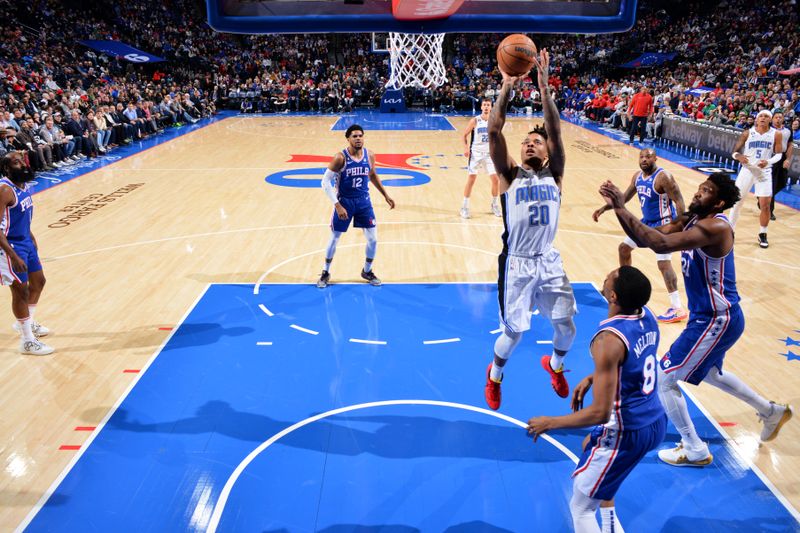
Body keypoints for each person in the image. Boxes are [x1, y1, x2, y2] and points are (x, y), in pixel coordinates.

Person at [598, 173, 792, 467]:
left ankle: (694, 448)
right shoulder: (691, 219)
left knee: (665, 378)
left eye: (707, 191)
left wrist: (621, 207)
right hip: (710, 317)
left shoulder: (716, 227)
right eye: (700, 188)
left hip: (717, 318)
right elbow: (650, 237)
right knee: (712, 373)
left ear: (720, 202)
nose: (698, 193)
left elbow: (662, 246)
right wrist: (618, 208)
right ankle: (770, 411)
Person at [527, 266, 666, 533]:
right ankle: (612, 526)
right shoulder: (647, 316)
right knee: (591, 444)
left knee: (581, 508)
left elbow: (600, 413)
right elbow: (632, 364)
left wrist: (550, 422)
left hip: (627, 430)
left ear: (613, 296)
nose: (604, 277)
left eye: (608, 277)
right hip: (655, 421)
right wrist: (594, 378)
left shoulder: (607, 341)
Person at [483, 47, 577, 410]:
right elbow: (494, 132)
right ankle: (494, 375)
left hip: (548, 260)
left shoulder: (556, 172)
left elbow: (554, 129)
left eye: (536, 141)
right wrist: (506, 86)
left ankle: (555, 366)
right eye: (525, 142)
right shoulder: (510, 176)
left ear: (548, 150)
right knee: (514, 331)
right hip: (517, 262)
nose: (529, 144)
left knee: (567, 327)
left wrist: (544, 88)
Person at [593, 148, 687, 323]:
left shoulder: (663, 177)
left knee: (663, 264)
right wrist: (604, 208)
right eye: (642, 156)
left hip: (664, 225)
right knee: (624, 248)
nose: (644, 159)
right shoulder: (637, 177)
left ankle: (677, 308)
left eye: (648, 157)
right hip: (646, 223)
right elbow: (624, 198)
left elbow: (679, 202)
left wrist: (680, 225)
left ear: (655, 159)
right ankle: (624, 288)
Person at [317, 124, 395, 288]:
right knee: (334, 239)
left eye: (360, 135)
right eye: (354, 136)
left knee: (373, 240)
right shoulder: (340, 158)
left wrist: (386, 195)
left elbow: (372, 175)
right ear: (348, 139)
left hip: (364, 202)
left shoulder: (370, 155)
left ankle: (367, 270)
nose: (358, 138)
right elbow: (324, 182)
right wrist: (337, 205)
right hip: (345, 202)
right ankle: (325, 272)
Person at [0, 154, 54, 355]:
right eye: (15, 162)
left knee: (39, 282)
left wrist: (31, 237)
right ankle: (27, 341)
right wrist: (13, 256)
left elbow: (20, 216)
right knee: (20, 291)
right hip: (9, 246)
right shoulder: (4, 189)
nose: (21, 164)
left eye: (21, 160)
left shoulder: (23, 185)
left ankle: (27, 322)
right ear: (6, 169)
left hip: (24, 242)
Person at [728, 109, 784, 248]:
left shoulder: (776, 134)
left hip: (764, 172)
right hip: (747, 170)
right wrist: (738, 156)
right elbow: (734, 151)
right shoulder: (747, 133)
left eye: (766, 116)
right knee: (737, 202)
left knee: (765, 205)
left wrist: (769, 161)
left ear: (770, 120)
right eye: (761, 116)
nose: (763, 118)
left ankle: (762, 234)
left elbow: (779, 155)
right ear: (757, 119)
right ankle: (729, 231)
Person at [460, 99, 501, 219]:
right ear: (481, 107)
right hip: (476, 154)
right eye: (485, 105)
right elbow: (464, 135)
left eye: (488, 105)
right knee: (471, 179)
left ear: (491, 107)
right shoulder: (475, 120)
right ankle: (464, 207)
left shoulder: (494, 121)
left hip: (489, 154)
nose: (487, 107)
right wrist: (466, 148)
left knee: (495, 180)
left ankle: (494, 205)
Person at [769, 111, 793, 220]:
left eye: (780, 117)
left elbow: (790, 144)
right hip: (770, 156)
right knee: (772, 184)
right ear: (772, 119)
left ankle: (763, 197)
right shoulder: (768, 129)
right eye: (776, 117)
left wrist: (788, 159)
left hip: (782, 156)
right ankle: (769, 210)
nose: (778, 119)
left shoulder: (788, 130)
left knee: (782, 182)